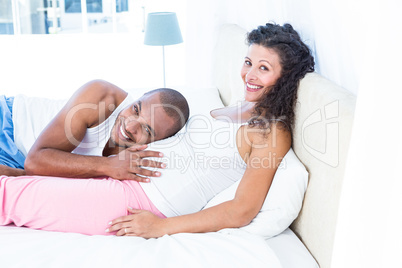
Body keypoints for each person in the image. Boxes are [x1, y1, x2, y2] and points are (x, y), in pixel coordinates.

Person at [0, 22, 314, 237]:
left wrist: (160, 228)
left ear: (285, 78)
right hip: (124, 179)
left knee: (9, 197)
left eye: (264, 68)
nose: (250, 74)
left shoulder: (272, 131)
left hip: (140, 202)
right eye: (248, 62)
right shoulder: (234, 106)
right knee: (16, 178)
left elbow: (241, 210)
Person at [0, 80, 190, 181]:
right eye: (136, 109)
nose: (130, 126)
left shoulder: (138, 159)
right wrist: (108, 166)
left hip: (18, 159)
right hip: (9, 120)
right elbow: (36, 161)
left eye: (147, 129)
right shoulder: (101, 95)